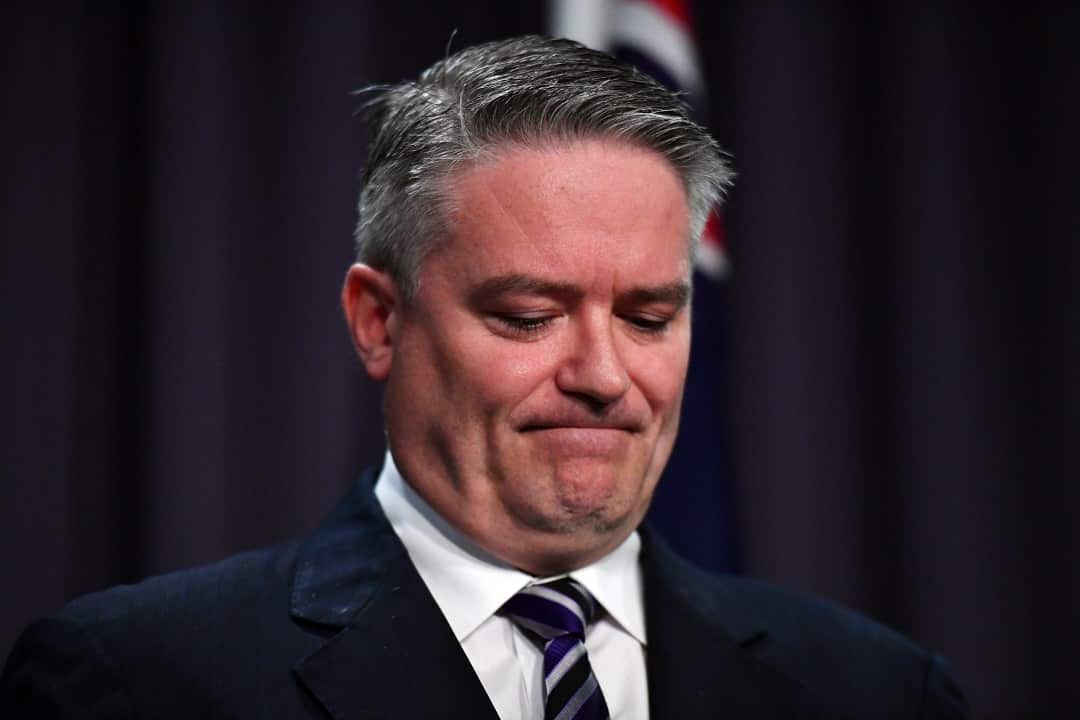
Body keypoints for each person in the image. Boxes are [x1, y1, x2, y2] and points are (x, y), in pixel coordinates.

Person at [1, 35, 966, 719]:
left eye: (647, 317)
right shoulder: (134, 681)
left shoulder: (880, 692)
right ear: (379, 321)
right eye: (528, 317)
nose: (603, 375)